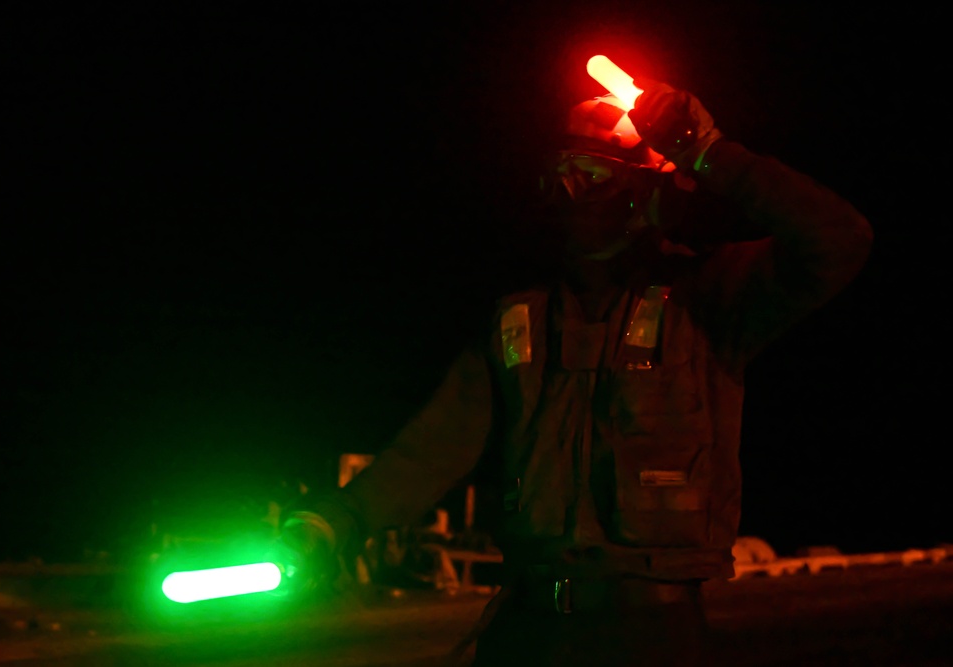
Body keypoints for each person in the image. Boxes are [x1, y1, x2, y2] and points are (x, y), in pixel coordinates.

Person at [278, 70, 873, 666]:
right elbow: (435, 444)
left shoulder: (709, 296)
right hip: (529, 629)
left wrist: (708, 152)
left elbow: (838, 239)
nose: (568, 197)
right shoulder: (520, 319)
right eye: (555, 177)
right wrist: (335, 522)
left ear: (644, 189)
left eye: (588, 176)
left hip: (652, 635)